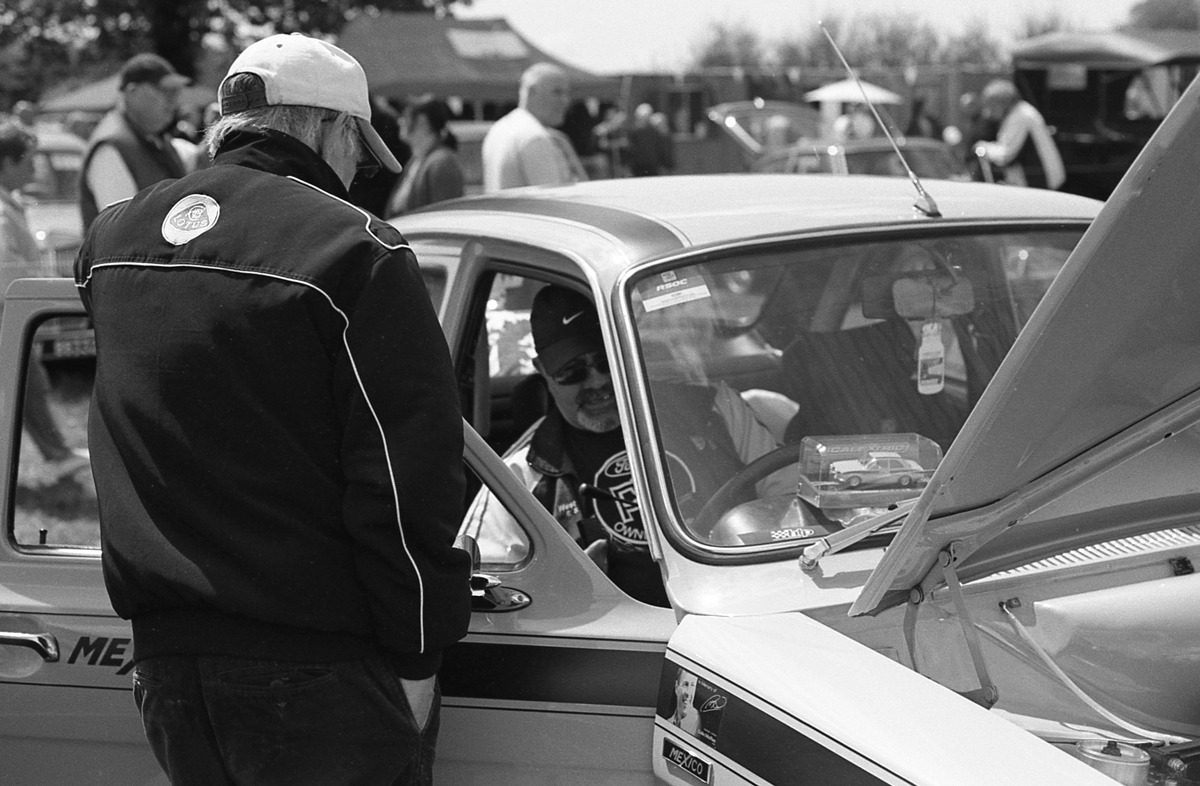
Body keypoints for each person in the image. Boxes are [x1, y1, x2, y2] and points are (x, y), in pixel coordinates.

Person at [74, 33, 471, 785]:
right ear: (328, 128)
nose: (355, 175)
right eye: (358, 153)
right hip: (317, 668)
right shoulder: (353, 249)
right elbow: (404, 478)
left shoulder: (112, 240)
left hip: (166, 665)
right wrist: (420, 653)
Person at [465, 286, 789, 607]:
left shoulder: (712, 408)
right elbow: (483, 586)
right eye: (572, 372)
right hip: (624, 632)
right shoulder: (527, 472)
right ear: (543, 372)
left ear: (626, 352)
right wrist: (564, 587)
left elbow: (790, 497)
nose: (596, 381)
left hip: (750, 603)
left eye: (605, 361)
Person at [0, 119, 90, 480]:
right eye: (28, 160)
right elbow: (5, 270)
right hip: (6, 311)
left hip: (9, 311)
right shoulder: (2, 211)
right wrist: (39, 290)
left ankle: (56, 453)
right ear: (8, 162)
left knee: (27, 382)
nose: (35, 169)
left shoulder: (9, 203)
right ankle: (56, 455)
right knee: (26, 381)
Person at [79, 53, 191, 231]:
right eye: (164, 90)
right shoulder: (111, 146)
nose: (173, 101)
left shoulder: (155, 139)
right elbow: (122, 232)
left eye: (175, 92)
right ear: (132, 92)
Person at [482, 62, 587, 191]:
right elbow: (552, 198)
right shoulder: (535, 137)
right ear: (531, 91)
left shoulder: (499, 128)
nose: (565, 100)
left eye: (566, 93)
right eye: (557, 92)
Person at [977, 79, 1065, 191]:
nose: (988, 113)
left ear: (1001, 103)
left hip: (1042, 185)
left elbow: (1006, 156)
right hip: (1039, 183)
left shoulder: (1020, 116)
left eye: (990, 105)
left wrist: (984, 147)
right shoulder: (1020, 112)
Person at [386, 95, 465, 216]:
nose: (400, 121)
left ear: (422, 121)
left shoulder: (442, 163)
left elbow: (443, 217)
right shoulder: (417, 160)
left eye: (406, 116)